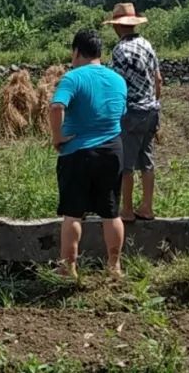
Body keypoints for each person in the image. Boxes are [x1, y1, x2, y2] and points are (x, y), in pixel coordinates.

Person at [49, 29, 128, 279]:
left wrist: (58, 137)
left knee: (73, 213)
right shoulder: (118, 80)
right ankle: (114, 266)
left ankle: (68, 267)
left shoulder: (73, 78)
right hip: (113, 150)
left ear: (76, 51)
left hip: (77, 153)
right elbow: (121, 113)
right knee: (111, 212)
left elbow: (56, 107)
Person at [104, 3, 162, 222]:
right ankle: (147, 207)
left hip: (131, 113)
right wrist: (156, 103)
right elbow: (158, 80)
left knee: (126, 164)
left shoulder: (119, 51)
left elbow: (117, 85)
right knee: (147, 160)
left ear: (117, 27)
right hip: (150, 110)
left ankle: (127, 209)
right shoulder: (147, 45)